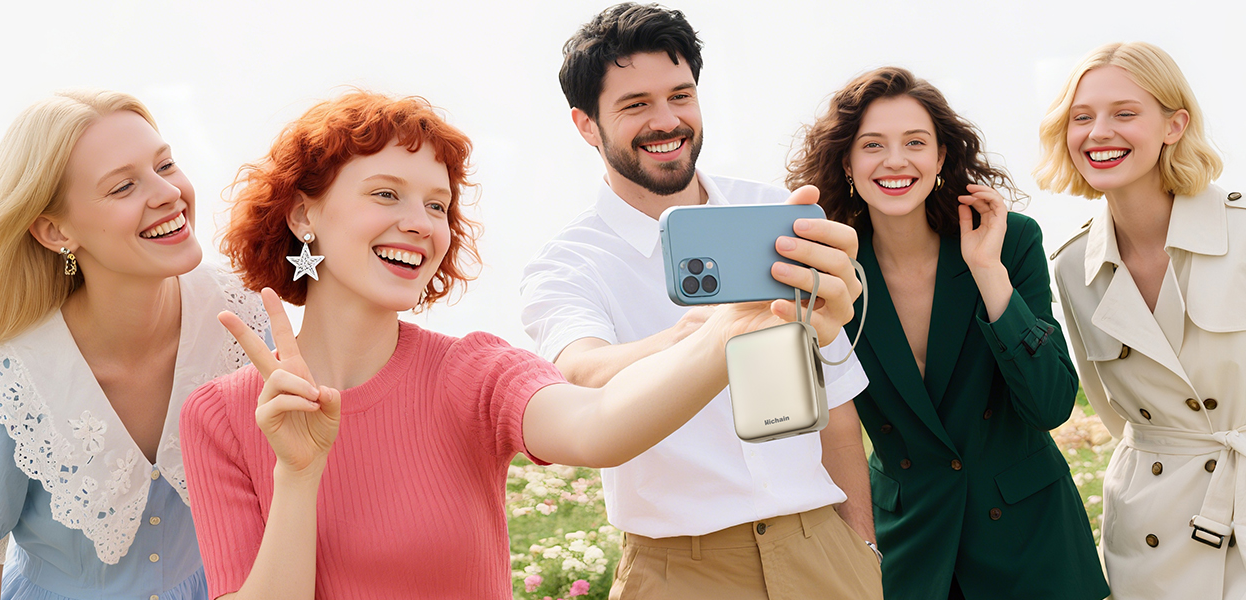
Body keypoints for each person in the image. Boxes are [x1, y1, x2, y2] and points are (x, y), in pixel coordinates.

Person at [178, 89, 860, 600]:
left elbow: (599, 428)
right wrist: (298, 479)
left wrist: (732, 331)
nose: (419, 224)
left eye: (437, 206)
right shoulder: (222, 416)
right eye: (386, 194)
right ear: (303, 213)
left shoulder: (472, 372)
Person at [519, 4, 880, 599]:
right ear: (586, 124)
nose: (667, 121)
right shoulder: (568, 261)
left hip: (824, 552)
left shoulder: (772, 215)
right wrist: (710, 332)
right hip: (680, 570)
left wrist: (862, 549)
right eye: (635, 104)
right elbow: (581, 373)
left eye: (680, 95)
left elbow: (836, 408)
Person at [0, 90, 268, 600]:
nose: (167, 193)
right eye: (123, 186)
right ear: (54, 231)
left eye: (166, 164)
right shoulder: (5, 385)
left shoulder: (242, 317)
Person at [785, 66, 1108, 600]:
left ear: (939, 158)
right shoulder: (828, 269)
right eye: (872, 145)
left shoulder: (1009, 241)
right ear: (846, 162)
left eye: (915, 142)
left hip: (1032, 548)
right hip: (910, 548)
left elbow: (1051, 405)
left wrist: (989, 274)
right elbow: (820, 421)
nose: (895, 160)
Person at [1040, 41, 1246, 600]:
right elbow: (1113, 411)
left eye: (1124, 113)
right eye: (1081, 117)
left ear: (1174, 125)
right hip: (1150, 525)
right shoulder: (1072, 264)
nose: (1098, 133)